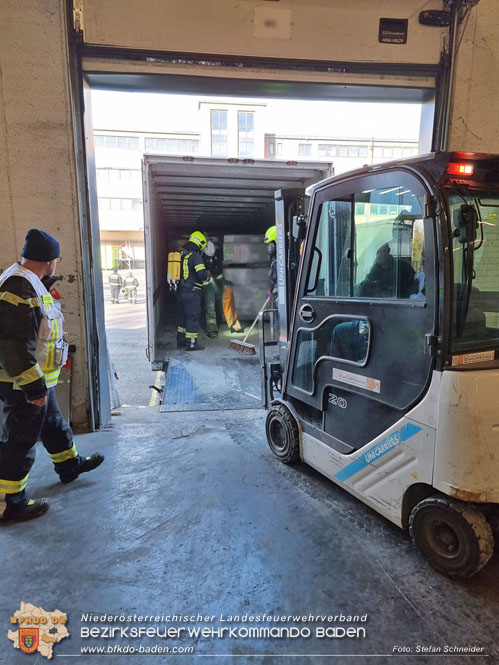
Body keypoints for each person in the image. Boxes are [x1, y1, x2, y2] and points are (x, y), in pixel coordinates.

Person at [0, 229, 104, 523]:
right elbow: (12, 343)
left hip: (36, 380)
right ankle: (10, 503)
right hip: (22, 383)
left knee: (54, 424)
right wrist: (33, 387)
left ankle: (68, 465)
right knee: (19, 442)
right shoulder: (19, 286)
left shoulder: (28, 281)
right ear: (49, 260)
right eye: (56, 259)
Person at [176, 231, 209, 350]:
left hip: (180, 292)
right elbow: (202, 275)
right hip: (192, 292)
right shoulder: (196, 256)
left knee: (182, 318)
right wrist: (206, 273)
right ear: (199, 244)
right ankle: (191, 344)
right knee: (192, 318)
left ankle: (180, 342)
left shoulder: (181, 255)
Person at [202, 241, 222, 339]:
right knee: (195, 310)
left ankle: (212, 331)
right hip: (196, 285)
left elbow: (218, 269)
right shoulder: (197, 256)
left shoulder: (215, 256)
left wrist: (211, 272)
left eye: (210, 256)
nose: (209, 258)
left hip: (209, 284)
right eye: (207, 256)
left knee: (210, 308)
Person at [264, 226, 278, 306]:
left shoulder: (283, 262)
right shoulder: (275, 262)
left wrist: (276, 296)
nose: (269, 248)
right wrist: (270, 288)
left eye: (271, 245)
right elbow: (274, 279)